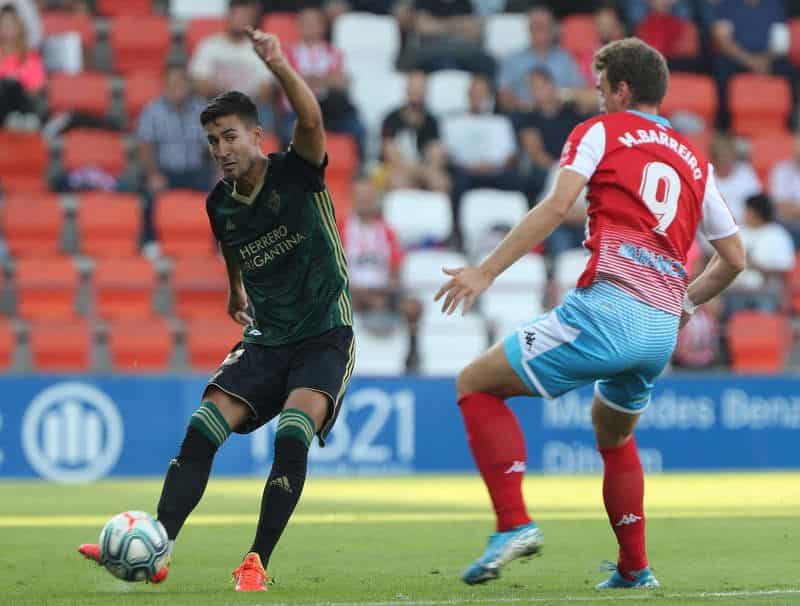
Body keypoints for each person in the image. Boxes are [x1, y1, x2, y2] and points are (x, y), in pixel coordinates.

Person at [435, 38, 745, 589]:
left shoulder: (602, 131)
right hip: (657, 329)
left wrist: (485, 272)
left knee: (476, 384)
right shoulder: (696, 159)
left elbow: (557, 206)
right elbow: (735, 259)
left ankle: (513, 524)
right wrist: (685, 304)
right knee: (614, 435)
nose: (597, 97)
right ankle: (634, 569)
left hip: (611, 307)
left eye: (602, 86)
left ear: (622, 89)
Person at [79, 27, 355, 593]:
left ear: (256, 135)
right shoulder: (219, 205)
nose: (222, 150)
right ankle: (158, 545)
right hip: (266, 336)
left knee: (292, 435)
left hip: (325, 332)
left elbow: (310, 121)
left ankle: (256, 561)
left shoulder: (295, 171)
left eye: (230, 137)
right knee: (203, 427)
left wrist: (278, 65)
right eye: (213, 142)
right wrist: (235, 290)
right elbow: (233, 247)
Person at [137, 64, 211, 247]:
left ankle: (219, 244)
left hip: (195, 170)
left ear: (188, 85)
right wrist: (153, 175)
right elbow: (145, 147)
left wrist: (221, 171)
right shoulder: (152, 111)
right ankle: (150, 242)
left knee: (224, 192)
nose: (178, 88)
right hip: (165, 171)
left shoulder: (202, 109)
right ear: (165, 85)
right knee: (148, 195)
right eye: (173, 84)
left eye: (181, 83)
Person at [189, 0, 274, 116]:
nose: (240, 19)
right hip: (214, 107)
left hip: (250, 110)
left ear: (252, 20)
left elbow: (265, 92)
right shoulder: (209, 45)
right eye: (236, 14)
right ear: (228, 16)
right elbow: (199, 85)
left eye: (245, 16)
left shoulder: (260, 48)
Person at [497, 5, 586, 113]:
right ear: (528, 29)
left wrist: (558, 97)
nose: (539, 32)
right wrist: (526, 106)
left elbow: (580, 92)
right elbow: (503, 95)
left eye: (543, 27)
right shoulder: (513, 60)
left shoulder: (565, 59)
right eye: (535, 27)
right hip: (523, 115)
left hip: (559, 115)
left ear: (553, 29)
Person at [380, 70, 450, 193]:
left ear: (427, 91)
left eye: (421, 87)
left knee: (441, 182)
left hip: (424, 170)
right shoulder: (391, 118)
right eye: (414, 87)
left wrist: (426, 173)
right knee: (397, 181)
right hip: (398, 169)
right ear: (406, 89)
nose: (417, 91)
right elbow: (391, 155)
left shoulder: (432, 120)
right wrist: (418, 173)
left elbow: (436, 154)